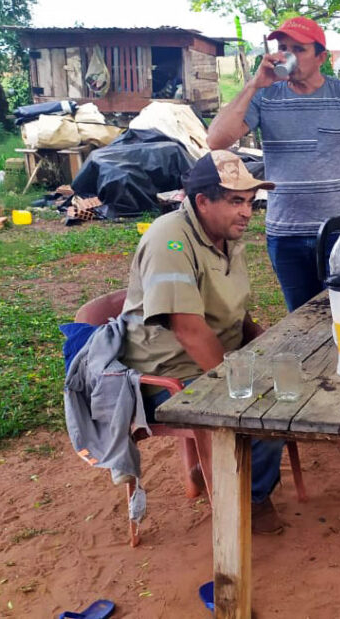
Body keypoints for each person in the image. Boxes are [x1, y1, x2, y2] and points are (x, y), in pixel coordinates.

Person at [120, 150, 287, 533]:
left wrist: (267, 349)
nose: (247, 212)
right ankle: (249, 502)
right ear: (202, 202)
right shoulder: (170, 242)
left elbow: (232, 310)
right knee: (266, 414)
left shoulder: (224, 236)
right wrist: (240, 383)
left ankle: (221, 470)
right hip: (169, 372)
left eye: (250, 202)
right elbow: (188, 330)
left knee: (292, 387)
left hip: (215, 358)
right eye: (235, 201)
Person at [206, 16, 340, 312]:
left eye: (298, 49)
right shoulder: (265, 96)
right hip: (285, 234)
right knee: (301, 318)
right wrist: (253, 85)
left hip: (339, 234)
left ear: (321, 57)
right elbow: (216, 140)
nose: (287, 55)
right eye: (282, 47)